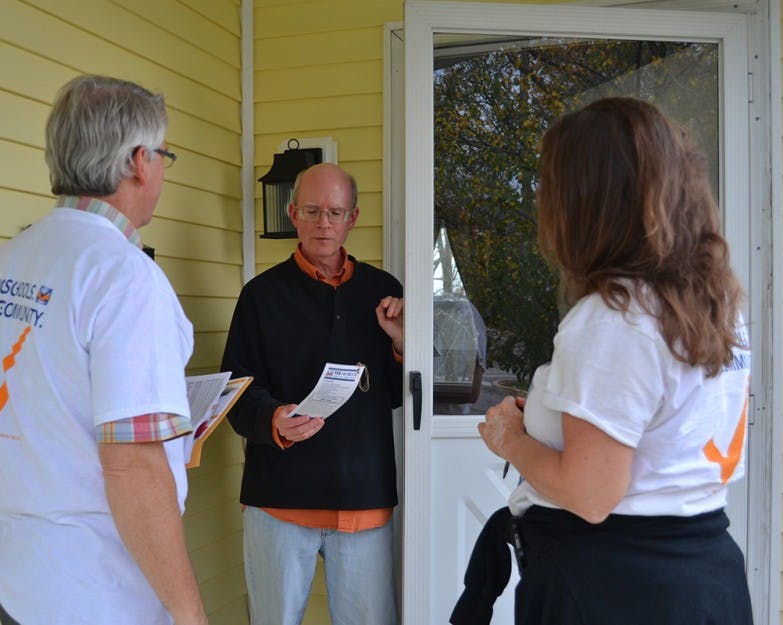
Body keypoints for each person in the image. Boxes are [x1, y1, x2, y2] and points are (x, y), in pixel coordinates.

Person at [451, 97, 754, 625]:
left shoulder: (613, 317)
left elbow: (591, 496)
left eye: (552, 185)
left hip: (613, 588)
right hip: (703, 576)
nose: (544, 201)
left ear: (589, 201)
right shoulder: (713, 305)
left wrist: (511, 440)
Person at [0, 75, 208, 625]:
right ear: (139, 161)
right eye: (164, 155)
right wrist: (188, 612)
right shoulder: (124, 277)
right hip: (101, 594)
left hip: (20, 583)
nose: (162, 170)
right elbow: (133, 468)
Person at [221, 163, 404, 625]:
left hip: (363, 497)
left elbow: (402, 397)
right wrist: (272, 419)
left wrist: (401, 342)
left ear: (353, 218)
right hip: (279, 500)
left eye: (336, 211)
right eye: (313, 210)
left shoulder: (385, 293)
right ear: (292, 214)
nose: (324, 222)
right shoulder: (260, 295)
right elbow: (233, 387)